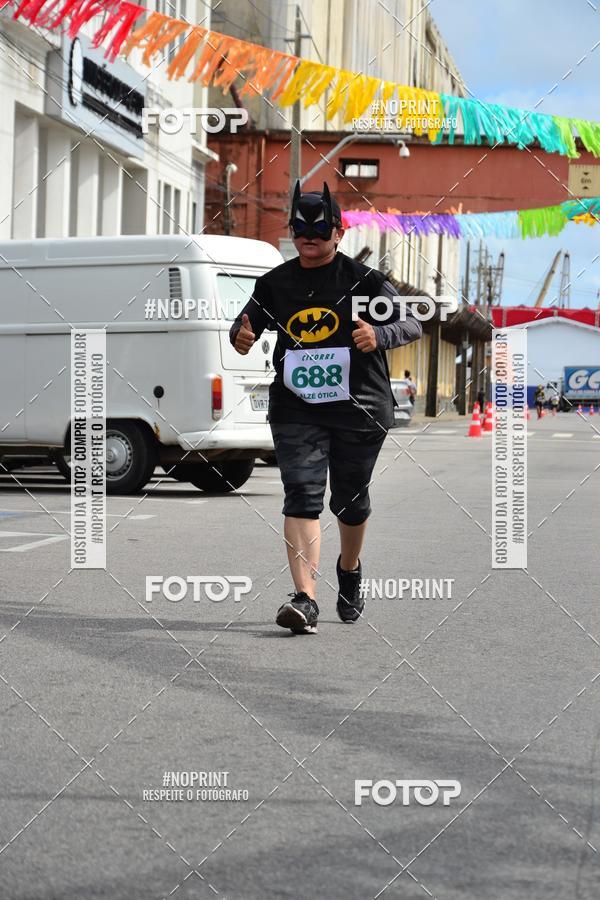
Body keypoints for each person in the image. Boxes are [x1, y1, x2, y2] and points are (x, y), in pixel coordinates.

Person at [230, 181, 422, 634]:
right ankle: (305, 598)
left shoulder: (365, 282)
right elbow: (245, 328)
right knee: (301, 492)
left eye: (319, 230)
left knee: (350, 501)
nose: (308, 237)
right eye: (300, 229)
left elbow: (412, 322)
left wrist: (379, 335)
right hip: (297, 407)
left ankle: (349, 570)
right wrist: (239, 337)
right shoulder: (275, 284)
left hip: (360, 408)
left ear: (339, 232)